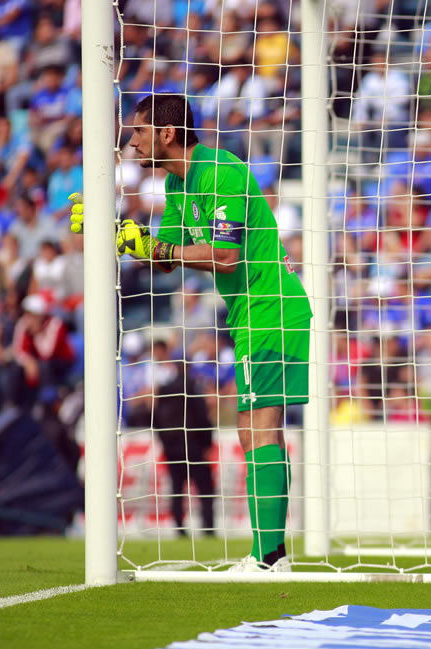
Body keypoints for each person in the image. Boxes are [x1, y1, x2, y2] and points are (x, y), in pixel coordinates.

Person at [69, 94, 312, 571]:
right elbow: (167, 256)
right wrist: (113, 231)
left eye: (138, 132)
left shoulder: (220, 171)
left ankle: (269, 561)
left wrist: (153, 243)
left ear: (167, 133)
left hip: (272, 308)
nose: (132, 142)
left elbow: (223, 255)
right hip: (247, 314)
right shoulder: (179, 187)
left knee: (262, 429)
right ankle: (272, 555)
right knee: (250, 431)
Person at [151, 339, 215, 537]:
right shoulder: (193, 388)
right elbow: (203, 418)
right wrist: (207, 444)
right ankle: (208, 527)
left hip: (172, 446)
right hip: (193, 444)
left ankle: (179, 528)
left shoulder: (164, 389)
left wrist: (164, 442)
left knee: (177, 488)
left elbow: (155, 420)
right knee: (205, 488)